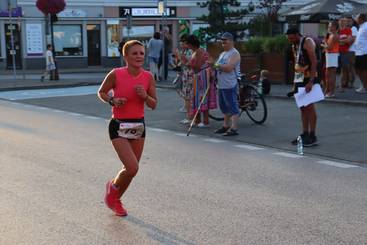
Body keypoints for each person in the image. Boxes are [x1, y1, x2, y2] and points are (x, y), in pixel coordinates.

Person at [98, 40, 157, 216]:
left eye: (141, 53)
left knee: (131, 170)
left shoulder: (148, 77)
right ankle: (114, 195)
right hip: (118, 125)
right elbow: (101, 92)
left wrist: (145, 96)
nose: (139, 56)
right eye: (134, 53)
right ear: (125, 56)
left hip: (138, 125)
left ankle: (115, 197)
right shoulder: (115, 74)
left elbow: (154, 104)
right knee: (132, 167)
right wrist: (112, 100)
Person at [286, 27, 319, 147]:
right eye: (288, 39)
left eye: (291, 38)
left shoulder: (307, 42)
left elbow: (314, 61)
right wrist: (294, 85)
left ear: (297, 34)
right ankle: (305, 133)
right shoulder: (294, 45)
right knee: (302, 107)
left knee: (309, 106)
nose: (290, 40)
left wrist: (311, 81)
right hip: (300, 77)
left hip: (310, 77)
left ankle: (313, 135)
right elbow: (297, 64)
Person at [209, 32, 241, 136]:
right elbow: (217, 66)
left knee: (232, 105)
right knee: (223, 106)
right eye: (222, 41)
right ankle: (225, 125)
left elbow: (229, 68)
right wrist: (212, 68)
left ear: (231, 41)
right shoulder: (223, 54)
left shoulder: (234, 53)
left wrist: (215, 65)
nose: (223, 42)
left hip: (230, 83)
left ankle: (234, 127)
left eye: (225, 40)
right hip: (221, 84)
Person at [185, 34, 217, 128]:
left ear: (191, 44)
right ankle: (198, 121)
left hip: (201, 78)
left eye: (188, 44)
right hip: (201, 78)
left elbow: (197, 67)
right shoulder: (199, 51)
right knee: (197, 99)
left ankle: (205, 121)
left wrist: (188, 64)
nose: (187, 46)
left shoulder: (198, 52)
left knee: (202, 99)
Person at [176, 34, 193, 124]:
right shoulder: (186, 51)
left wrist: (179, 56)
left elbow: (188, 63)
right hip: (185, 75)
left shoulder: (190, 51)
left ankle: (189, 117)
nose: (182, 45)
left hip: (189, 76)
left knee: (188, 97)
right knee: (187, 96)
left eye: (183, 43)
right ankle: (189, 116)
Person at [321, 21, 339, 97]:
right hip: (332, 55)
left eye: (330, 26)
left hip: (331, 55)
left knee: (329, 74)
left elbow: (329, 47)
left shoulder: (333, 36)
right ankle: (330, 91)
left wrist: (322, 44)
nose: (329, 28)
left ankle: (330, 92)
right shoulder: (332, 35)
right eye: (328, 26)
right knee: (331, 74)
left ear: (334, 27)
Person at [338, 17, 353, 90]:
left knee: (345, 68)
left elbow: (349, 40)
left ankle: (344, 84)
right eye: (341, 21)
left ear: (346, 23)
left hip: (345, 52)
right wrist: (343, 41)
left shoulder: (348, 30)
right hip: (337, 52)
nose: (342, 22)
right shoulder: (337, 30)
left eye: (344, 21)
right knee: (337, 69)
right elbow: (334, 40)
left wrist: (340, 41)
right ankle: (342, 84)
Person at [354, 13, 367, 93]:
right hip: (358, 53)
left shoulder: (366, 26)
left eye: (356, 17)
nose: (355, 19)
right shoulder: (361, 27)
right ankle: (364, 85)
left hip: (364, 52)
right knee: (358, 70)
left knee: (364, 70)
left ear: (361, 19)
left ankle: (365, 87)